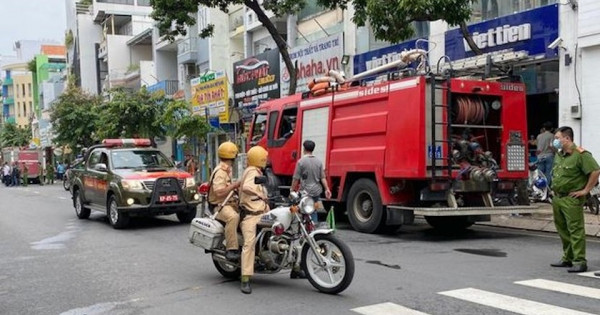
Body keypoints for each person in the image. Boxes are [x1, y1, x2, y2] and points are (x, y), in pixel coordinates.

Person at [550, 126, 600, 273]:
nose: (555, 141)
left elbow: (595, 170)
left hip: (571, 199)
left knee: (575, 230)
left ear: (567, 138)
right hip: (558, 197)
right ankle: (568, 258)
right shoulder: (559, 155)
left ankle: (580, 261)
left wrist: (585, 190)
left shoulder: (581, 154)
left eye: (558, 138)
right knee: (562, 229)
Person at [239, 145, 270, 294]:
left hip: (262, 213)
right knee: (249, 244)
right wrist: (261, 196)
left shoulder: (257, 172)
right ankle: (245, 279)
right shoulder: (252, 172)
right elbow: (246, 187)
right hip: (251, 215)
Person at [208, 142, 241, 261]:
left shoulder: (227, 169)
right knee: (233, 217)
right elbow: (219, 192)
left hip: (230, 203)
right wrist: (234, 185)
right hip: (219, 206)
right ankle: (231, 249)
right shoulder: (221, 172)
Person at [291, 140, 332, 224]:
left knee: (297, 209)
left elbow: (296, 178)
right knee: (314, 210)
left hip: (305, 192)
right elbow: (323, 178)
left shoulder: (301, 162)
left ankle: (301, 228)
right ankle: (313, 228)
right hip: (316, 193)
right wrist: (327, 189)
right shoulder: (319, 162)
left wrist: (292, 190)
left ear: (304, 149)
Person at [536, 122, 555, 187]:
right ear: (552, 129)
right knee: (548, 173)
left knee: (540, 173)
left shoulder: (539, 136)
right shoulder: (552, 136)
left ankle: (540, 187)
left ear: (544, 128)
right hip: (549, 155)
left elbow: (538, 146)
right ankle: (547, 188)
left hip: (540, 156)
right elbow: (552, 146)